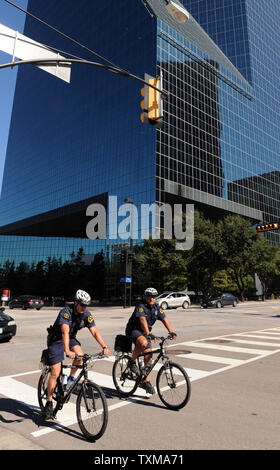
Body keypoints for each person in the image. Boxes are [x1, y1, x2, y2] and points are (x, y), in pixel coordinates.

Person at [44, 289, 110, 420]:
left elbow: (95, 331)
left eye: (86, 305)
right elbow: (64, 332)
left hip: (71, 338)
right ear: (75, 302)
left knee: (80, 356)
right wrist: (67, 351)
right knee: (56, 372)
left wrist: (104, 346)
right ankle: (49, 402)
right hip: (57, 340)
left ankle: (70, 380)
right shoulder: (65, 312)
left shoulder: (86, 314)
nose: (84, 308)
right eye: (82, 305)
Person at [125, 287, 177, 395]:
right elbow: (142, 320)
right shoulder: (141, 306)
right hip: (134, 330)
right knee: (143, 343)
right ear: (145, 296)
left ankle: (146, 381)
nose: (151, 298)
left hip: (145, 332)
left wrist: (171, 332)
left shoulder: (157, 307)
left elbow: (164, 319)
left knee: (148, 355)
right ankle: (131, 361)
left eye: (154, 296)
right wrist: (148, 333)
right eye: (149, 296)